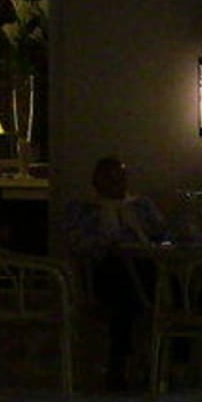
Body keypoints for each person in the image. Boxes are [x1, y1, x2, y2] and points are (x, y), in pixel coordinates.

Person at [65, 156, 170, 389]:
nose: (114, 182)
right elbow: (76, 243)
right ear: (95, 181)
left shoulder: (142, 205)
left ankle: (165, 361)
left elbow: (163, 235)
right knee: (122, 285)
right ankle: (122, 360)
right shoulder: (83, 209)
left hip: (147, 266)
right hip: (104, 271)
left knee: (165, 282)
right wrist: (108, 241)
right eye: (108, 178)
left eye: (119, 177)